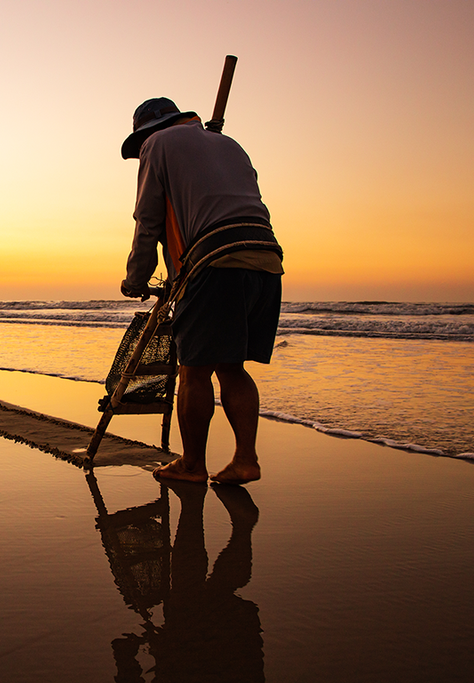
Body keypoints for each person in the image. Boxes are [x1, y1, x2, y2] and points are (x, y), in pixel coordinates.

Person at [120, 97, 283, 485]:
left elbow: (148, 220)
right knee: (231, 367)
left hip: (214, 262)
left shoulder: (156, 146)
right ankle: (245, 459)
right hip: (266, 260)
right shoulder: (229, 145)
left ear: (146, 132)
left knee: (194, 372)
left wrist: (136, 279)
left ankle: (192, 464)